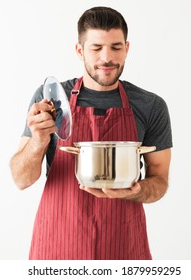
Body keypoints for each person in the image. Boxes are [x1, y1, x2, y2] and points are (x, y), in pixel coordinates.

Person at [10, 6, 172, 260]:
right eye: (96, 48)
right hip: (58, 248)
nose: (106, 58)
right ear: (79, 50)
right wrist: (39, 140)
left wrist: (136, 191)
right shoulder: (52, 100)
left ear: (127, 49)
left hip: (123, 248)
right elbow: (21, 179)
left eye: (116, 47)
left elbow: (160, 181)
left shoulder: (150, 106)